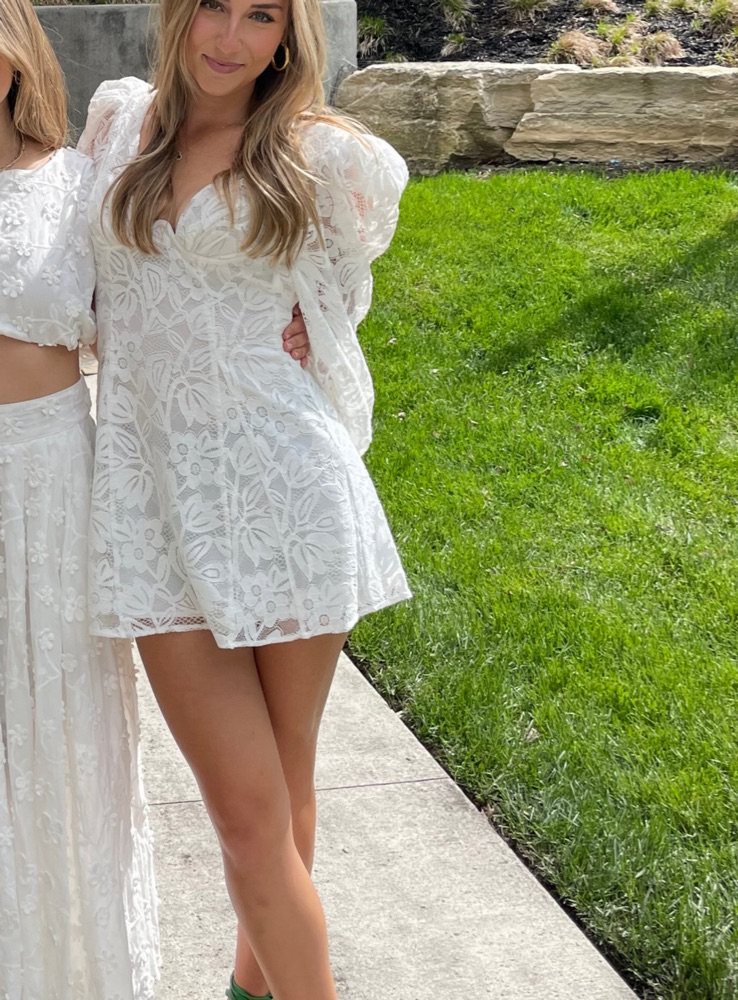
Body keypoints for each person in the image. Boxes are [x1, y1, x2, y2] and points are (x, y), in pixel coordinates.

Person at [77, 0, 411, 996]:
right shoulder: (119, 124)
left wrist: (315, 327)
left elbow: (342, 292)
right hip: (151, 504)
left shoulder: (323, 154)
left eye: (260, 15)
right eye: (213, 8)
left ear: (287, 36)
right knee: (248, 807)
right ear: (180, 14)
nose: (229, 38)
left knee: (271, 793)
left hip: (286, 496)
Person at [0, 2, 161, 997]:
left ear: (15, 54)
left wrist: (293, 317)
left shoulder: (77, 179)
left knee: (61, 734)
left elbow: (168, 295)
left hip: (50, 479)